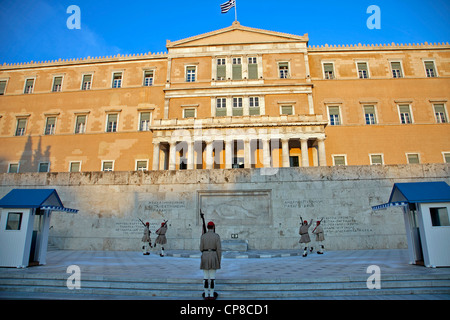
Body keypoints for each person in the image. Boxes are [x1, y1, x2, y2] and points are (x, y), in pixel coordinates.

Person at [200, 221, 221, 300]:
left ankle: (205, 294)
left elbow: (201, 248)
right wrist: (218, 260)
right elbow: (219, 249)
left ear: (207, 227)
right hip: (213, 256)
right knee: (212, 277)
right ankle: (211, 295)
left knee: (205, 277)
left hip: (205, 256)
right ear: (213, 227)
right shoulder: (216, 236)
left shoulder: (203, 236)